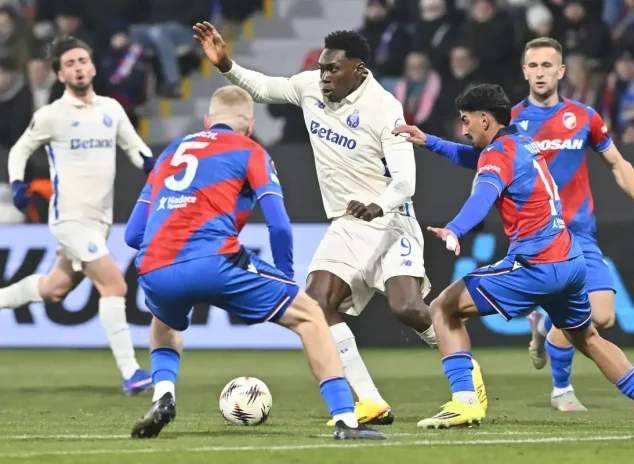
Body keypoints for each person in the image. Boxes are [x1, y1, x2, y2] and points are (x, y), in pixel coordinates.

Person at [193, 21, 444, 426]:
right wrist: (226, 64)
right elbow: (264, 88)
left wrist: (378, 205)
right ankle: (371, 401)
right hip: (347, 222)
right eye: (322, 68)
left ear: (358, 70)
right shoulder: (311, 87)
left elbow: (405, 182)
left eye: (333, 69)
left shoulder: (385, 108)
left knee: (409, 310)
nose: (324, 76)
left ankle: (466, 376)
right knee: (316, 304)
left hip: (390, 220)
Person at [394, 37, 634, 412]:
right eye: (533, 66)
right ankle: (609, 399)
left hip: (564, 241)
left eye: (546, 65)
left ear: (560, 71)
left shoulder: (582, 117)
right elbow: (482, 162)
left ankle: (480, 386)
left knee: (598, 316)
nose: (539, 73)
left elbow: (615, 162)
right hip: (554, 244)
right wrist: (431, 143)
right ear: (524, 71)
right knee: (585, 331)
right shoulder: (513, 125)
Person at [125, 85, 385, 441]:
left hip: (155, 267)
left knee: (164, 321)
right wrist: (286, 279)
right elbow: (279, 225)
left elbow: (132, 234)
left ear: (207, 121)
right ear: (249, 126)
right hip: (215, 260)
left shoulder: (170, 152)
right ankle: (345, 420)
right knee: (311, 316)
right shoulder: (250, 150)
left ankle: (163, 396)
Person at [2, 36, 154, 395]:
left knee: (53, 289)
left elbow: (137, 150)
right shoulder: (52, 115)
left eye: (82, 61)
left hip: (100, 222)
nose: (78, 68)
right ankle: (131, 372)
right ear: (60, 74)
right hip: (69, 220)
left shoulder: (111, 110)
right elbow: (19, 150)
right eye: (69, 64)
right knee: (115, 285)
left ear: (93, 67)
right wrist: (19, 184)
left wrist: (158, 169)